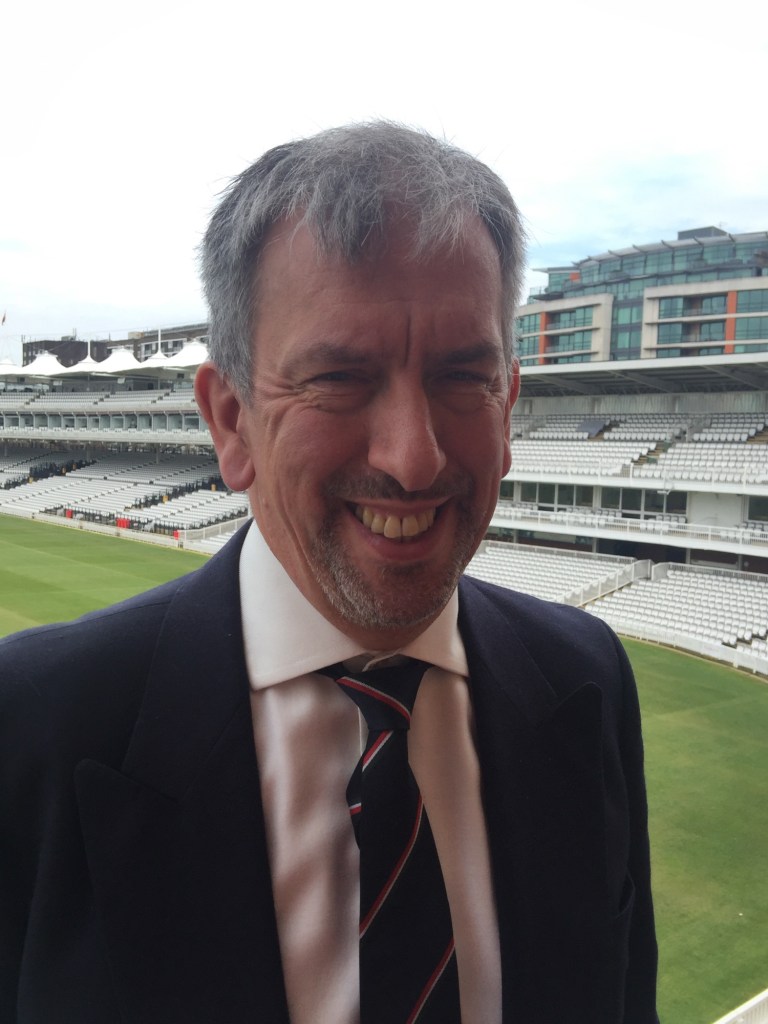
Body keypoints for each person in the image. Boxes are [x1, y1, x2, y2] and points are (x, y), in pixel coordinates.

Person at [0, 122, 658, 1024]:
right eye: (340, 378)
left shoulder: (586, 676)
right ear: (230, 420)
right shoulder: (30, 726)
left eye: (462, 376)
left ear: (507, 405)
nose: (414, 459)